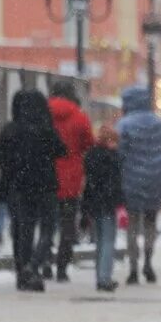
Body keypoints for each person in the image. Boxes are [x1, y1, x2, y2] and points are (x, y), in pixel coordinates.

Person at [0, 89, 66, 292]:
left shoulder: (10, 130)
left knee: (22, 230)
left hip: (18, 187)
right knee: (48, 229)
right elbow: (61, 150)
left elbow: (0, 157)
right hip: (45, 186)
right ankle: (33, 266)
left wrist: (16, 167)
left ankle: (22, 272)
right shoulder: (46, 130)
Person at [43, 81, 95, 282]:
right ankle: (62, 267)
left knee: (47, 223)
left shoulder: (43, 115)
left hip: (46, 177)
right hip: (71, 180)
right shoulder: (80, 117)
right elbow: (88, 145)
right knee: (67, 226)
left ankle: (45, 260)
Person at [116, 86, 161, 285]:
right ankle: (148, 261)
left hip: (131, 181)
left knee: (132, 226)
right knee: (150, 224)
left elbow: (120, 153)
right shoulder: (159, 124)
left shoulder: (124, 125)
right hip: (155, 180)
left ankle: (133, 269)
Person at [83, 125, 124, 292]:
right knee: (108, 241)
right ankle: (104, 278)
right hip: (108, 205)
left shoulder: (91, 156)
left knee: (100, 241)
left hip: (94, 204)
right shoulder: (113, 158)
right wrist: (120, 202)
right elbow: (116, 184)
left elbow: (89, 183)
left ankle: (100, 276)